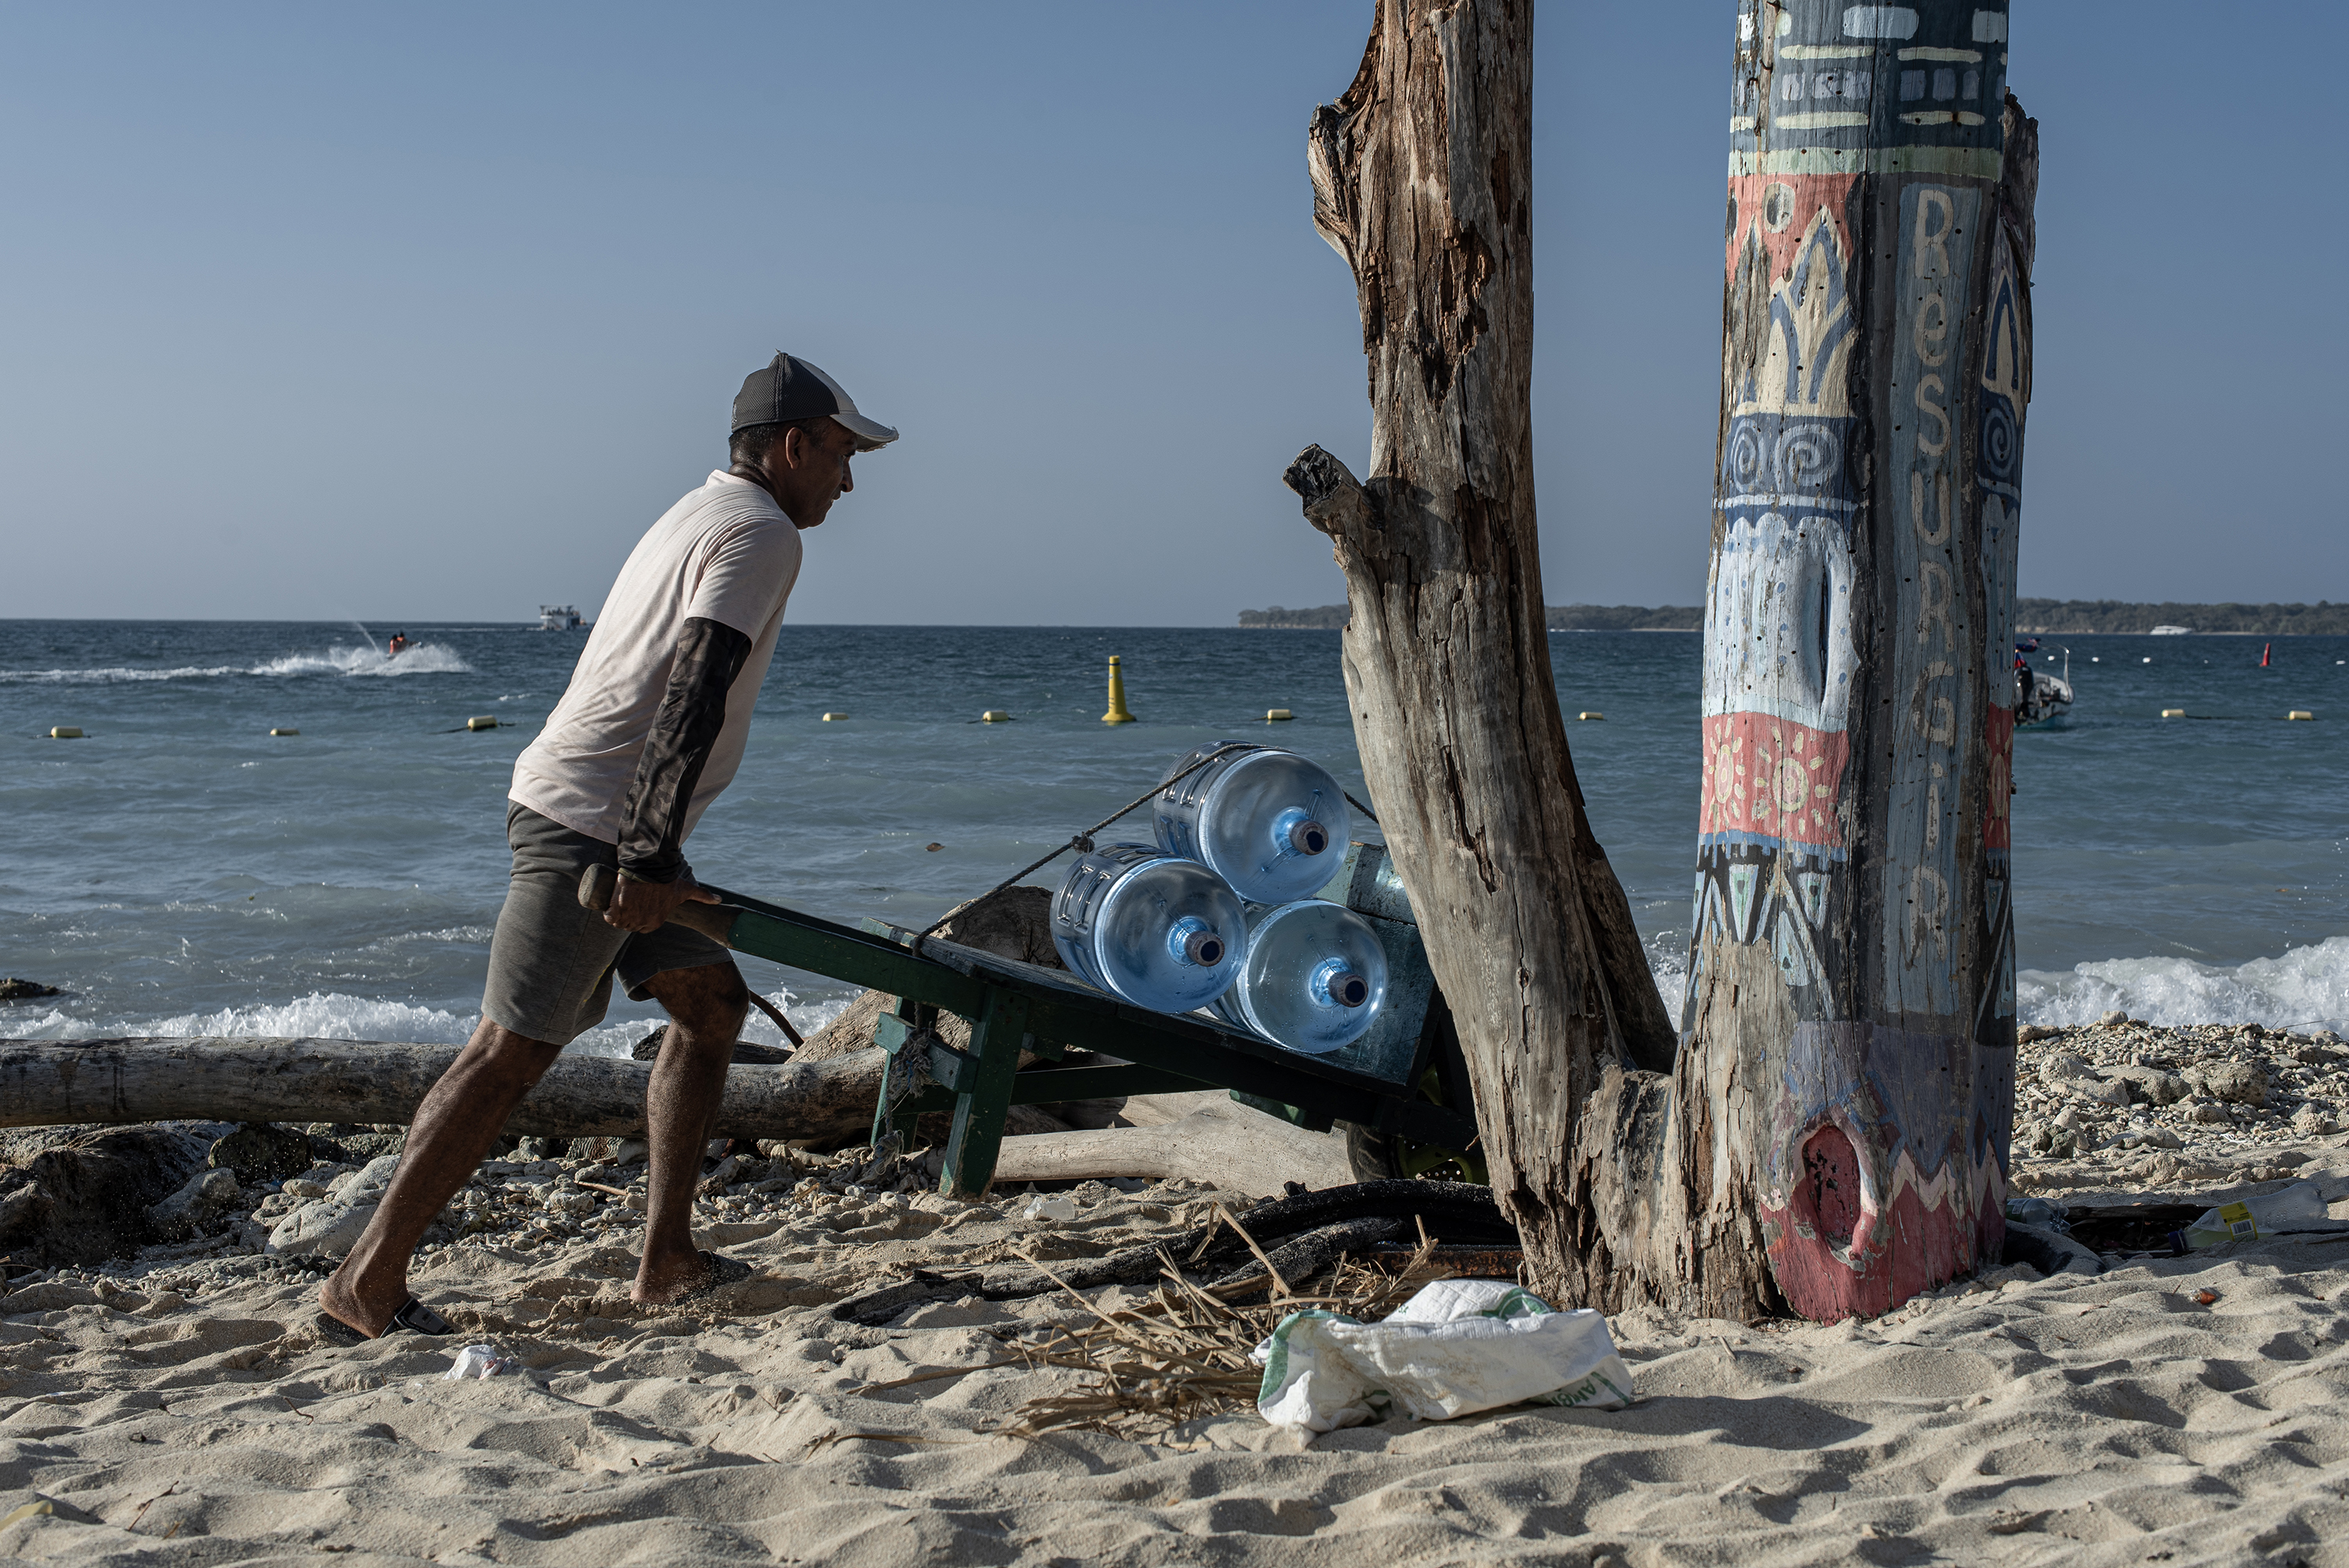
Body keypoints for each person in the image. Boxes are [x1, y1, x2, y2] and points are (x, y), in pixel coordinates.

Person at [318, 352, 898, 1342]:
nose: (849, 481)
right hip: (598, 828)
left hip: (615, 818)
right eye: (843, 454)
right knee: (508, 1050)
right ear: (794, 445)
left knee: (711, 1007)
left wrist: (653, 848)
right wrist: (645, 859)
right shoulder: (760, 532)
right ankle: (363, 1283)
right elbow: (695, 685)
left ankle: (667, 1260)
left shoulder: (696, 511)